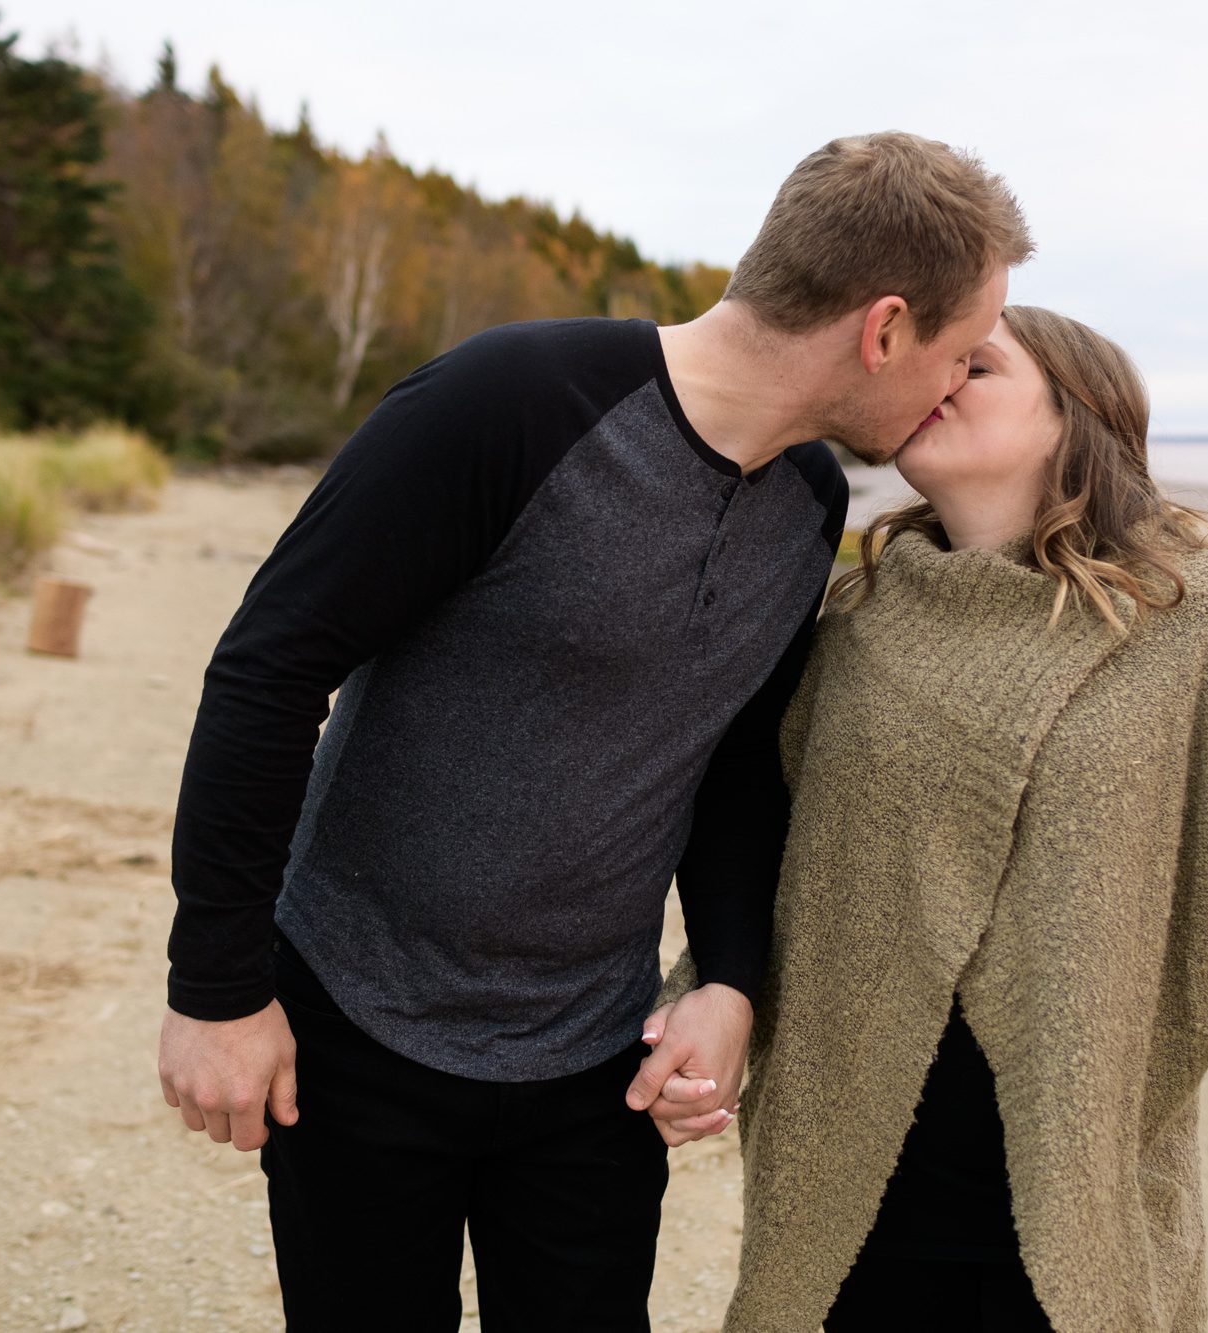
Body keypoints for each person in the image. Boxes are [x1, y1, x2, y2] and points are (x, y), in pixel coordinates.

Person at [154, 131, 1035, 1330]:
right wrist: (217, 989)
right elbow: (267, 670)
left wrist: (727, 974)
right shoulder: (505, 404)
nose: (955, 382)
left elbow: (729, 753)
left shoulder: (808, 500)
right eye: (956, 347)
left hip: (588, 1057)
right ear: (881, 329)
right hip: (359, 1023)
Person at [649, 305, 1208, 1331]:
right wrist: (702, 992)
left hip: (1075, 1187)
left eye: (977, 365)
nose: (940, 378)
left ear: (1073, 419)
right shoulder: (860, 615)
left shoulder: (1199, 626)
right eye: (934, 359)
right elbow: (773, 842)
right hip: (848, 1178)